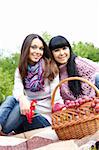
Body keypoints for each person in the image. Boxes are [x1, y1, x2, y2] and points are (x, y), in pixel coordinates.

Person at [0, 34, 62, 135]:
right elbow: (17, 90)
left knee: (26, 110)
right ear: (26, 48)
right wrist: (23, 99)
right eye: (34, 47)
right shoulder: (21, 70)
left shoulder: (51, 68)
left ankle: (3, 130)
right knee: (11, 99)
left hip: (44, 119)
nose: (38, 52)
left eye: (41, 49)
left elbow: (56, 97)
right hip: (27, 114)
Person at [49, 35, 99, 102]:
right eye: (56, 50)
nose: (61, 53)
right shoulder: (52, 69)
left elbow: (96, 68)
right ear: (51, 53)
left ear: (69, 49)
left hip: (89, 103)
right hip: (69, 109)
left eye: (64, 48)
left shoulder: (79, 62)